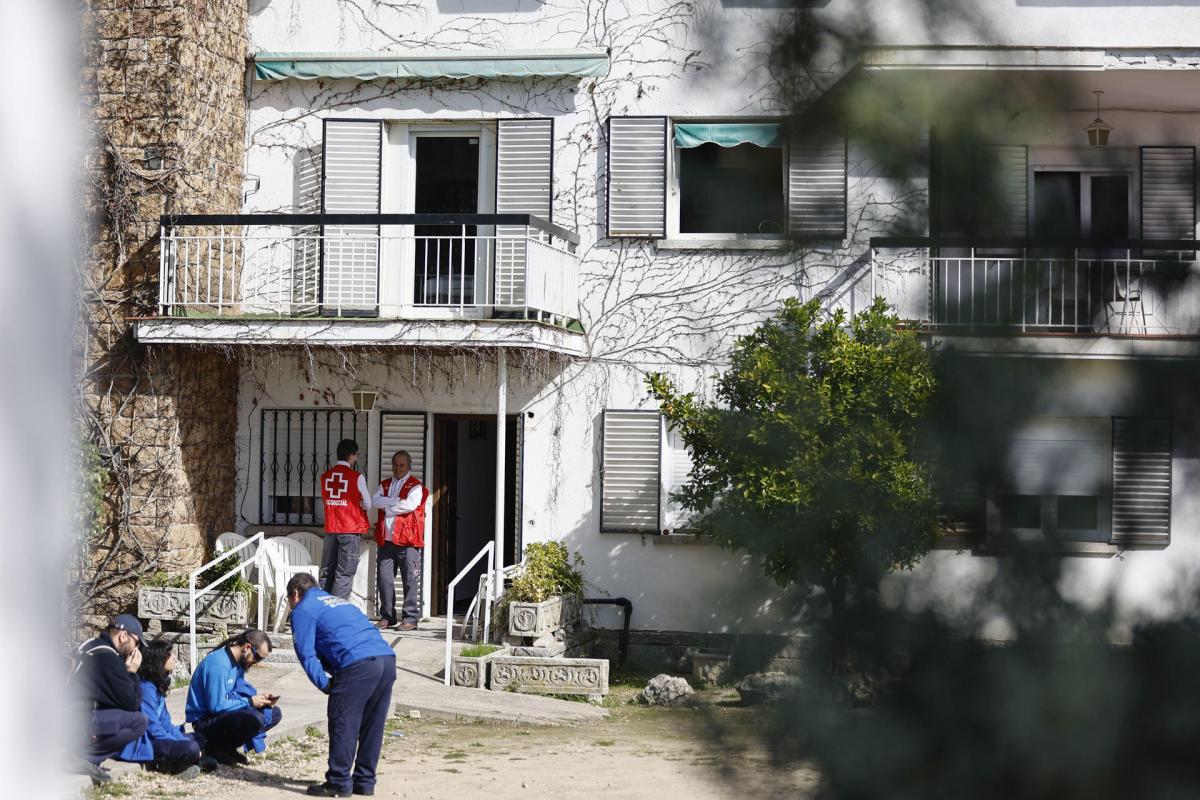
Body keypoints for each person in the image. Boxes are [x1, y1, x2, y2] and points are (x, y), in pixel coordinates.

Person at [286, 573, 396, 798]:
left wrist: (326, 685)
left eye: (289, 599)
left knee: (343, 722)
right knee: (371, 725)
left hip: (357, 663)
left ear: (296, 593)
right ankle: (364, 782)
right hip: (386, 659)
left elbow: (306, 655)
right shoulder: (339, 603)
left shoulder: (303, 609)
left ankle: (338, 782)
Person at [118, 639, 215, 779]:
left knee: (199, 738)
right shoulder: (146, 688)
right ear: (158, 660)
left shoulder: (157, 686)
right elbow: (153, 728)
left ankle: (191, 761)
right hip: (147, 741)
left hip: (160, 736)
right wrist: (180, 742)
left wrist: (180, 738)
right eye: (169, 654)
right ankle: (172, 766)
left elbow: (165, 723)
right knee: (191, 747)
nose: (174, 657)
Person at [70, 614, 149, 784]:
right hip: (78, 721)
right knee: (138, 721)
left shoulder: (91, 646)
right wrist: (132, 672)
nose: (137, 649)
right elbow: (132, 703)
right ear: (123, 636)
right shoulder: (108, 659)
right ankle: (83, 758)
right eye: (137, 643)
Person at [185, 630, 282, 765]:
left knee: (274, 713)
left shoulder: (238, 663)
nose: (257, 662)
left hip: (222, 714)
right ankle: (215, 747)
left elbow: (237, 692)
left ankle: (227, 748)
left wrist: (260, 699)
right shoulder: (219, 665)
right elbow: (216, 706)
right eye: (258, 657)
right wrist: (249, 701)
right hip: (205, 720)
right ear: (248, 648)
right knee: (254, 719)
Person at [370, 449, 429, 630]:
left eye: (401, 465)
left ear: (408, 466)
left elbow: (410, 505)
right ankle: (388, 616)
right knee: (384, 580)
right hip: (386, 541)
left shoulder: (416, 486)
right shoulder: (385, 484)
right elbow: (374, 501)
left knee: (410, 579)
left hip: (407, 541)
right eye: (395, 465)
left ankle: (410, 618)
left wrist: (387, 504)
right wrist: (395, 501)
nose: (397, 468)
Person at [320, 439, 371, 599]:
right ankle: (338, 612)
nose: (356, 458)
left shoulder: (325, 476)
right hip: (350, 529)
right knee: (345, 572)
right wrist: (359, 502)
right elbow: (368, 504)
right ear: (350, 456)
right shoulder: (356, 477)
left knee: (327, 571)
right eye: (356, 455)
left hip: (331, 529)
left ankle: (322, 608)